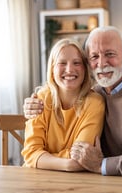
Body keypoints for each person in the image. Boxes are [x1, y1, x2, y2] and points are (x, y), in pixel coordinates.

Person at [24, 26, 122, 178]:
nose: (102, 63)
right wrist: (30, 107)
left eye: (109, 54)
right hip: (99, 183)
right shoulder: (96, 92)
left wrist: (102, 165)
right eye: (94, 56)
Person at [21, 38, 105, 172]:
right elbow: (30, 154)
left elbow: (81, 158)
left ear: (85, 69)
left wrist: (43, 158)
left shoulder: (94, 103)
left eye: (77, 63)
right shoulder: (40, 99)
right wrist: (68, 164)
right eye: (62, 63)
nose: (70, 69)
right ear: (52, 69)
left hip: (75, 182)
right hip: (35, 178)